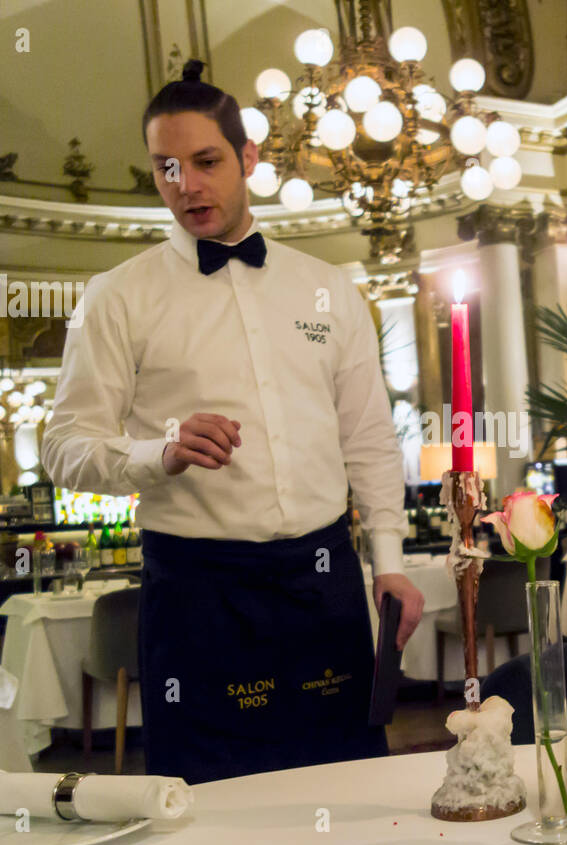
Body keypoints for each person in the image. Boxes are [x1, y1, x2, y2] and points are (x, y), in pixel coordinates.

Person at [41, 59, 424, 784]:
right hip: (198, 595)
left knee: (349, 787)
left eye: (206, 161)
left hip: (323, 581)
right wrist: (159, 453)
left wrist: (391, 561)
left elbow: (369, 438)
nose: (186, 185)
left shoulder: (328, 289)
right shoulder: (117, 297)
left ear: (250, 157)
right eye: (166, 168)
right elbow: (64, 446)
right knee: (213, 813)